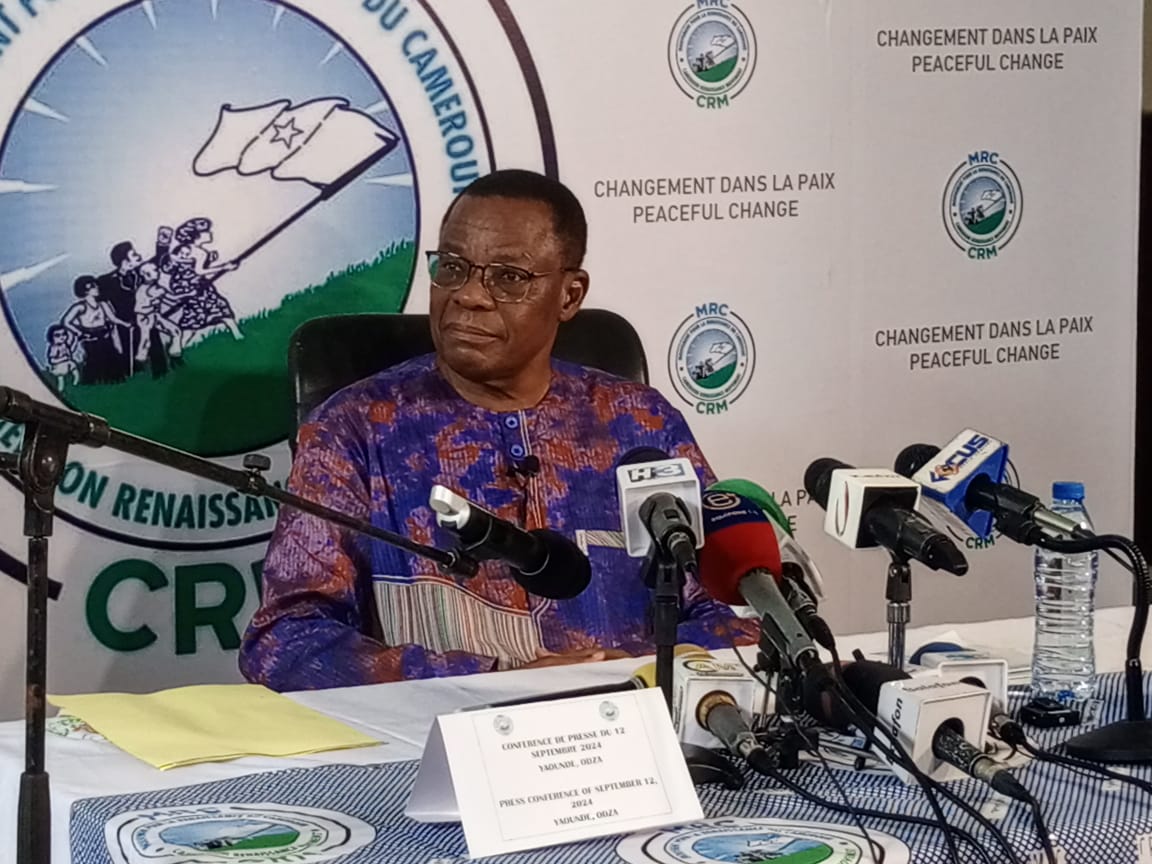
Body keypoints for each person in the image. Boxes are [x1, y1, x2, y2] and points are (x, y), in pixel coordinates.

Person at [240, 169, 756, 692]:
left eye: (509, 277)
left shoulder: (639, 422)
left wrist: (617, 672)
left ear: (569, 295)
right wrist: (496, 680)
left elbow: (739, 613)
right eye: (453, 267)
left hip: (631, 720)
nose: (469, 296)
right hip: (440, 730)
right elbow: (285, 642)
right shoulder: (354, 428)